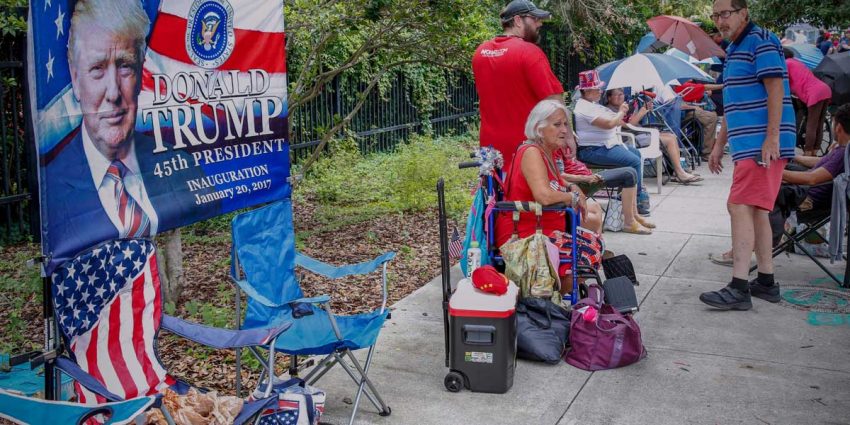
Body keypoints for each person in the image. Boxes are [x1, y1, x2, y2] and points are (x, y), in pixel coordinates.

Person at [42, 0, 212, 271]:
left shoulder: (184, 166)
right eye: (97, 68)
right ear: (75, 79)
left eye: (125, 66)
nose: (113, 92)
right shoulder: (54, 186)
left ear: (140, 73)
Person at [699, 0, 797, 310]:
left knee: (738, 205)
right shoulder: (734, 50)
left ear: (744, 12)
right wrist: (718, 145)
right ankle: (766, 282)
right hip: (748, 143)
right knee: (756, 210)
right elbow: (733, 103)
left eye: (725, 14)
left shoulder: (760, 40)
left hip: (760, 142)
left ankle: (739, 287)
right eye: (715, 16)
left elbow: (776, 90)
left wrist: (771, 138)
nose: (719, 21)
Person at [709, 103, 850, 272]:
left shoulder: (843, 153)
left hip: (809, 198)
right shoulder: (842, 149)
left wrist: (776, 173)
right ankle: (750, 246)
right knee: (765, 181)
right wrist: (791, 157)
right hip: (808, 191)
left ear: (838, 127)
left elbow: (812, 178)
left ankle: (747, 250)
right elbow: (819, 163)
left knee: (754, 197)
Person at [495, 100, 605, 292]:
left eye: (565, 124)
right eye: (557, 124)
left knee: (594, 242)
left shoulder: (547, 152)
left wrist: (572, 186)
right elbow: (544, 196)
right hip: (525, 235)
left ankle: (561, 295)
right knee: (587, 254)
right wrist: (570, 198)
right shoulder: (531, 152)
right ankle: (554, 300)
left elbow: (557, 180)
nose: (564, 130)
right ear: (539, 129)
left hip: (543, 230)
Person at [472, 0, 571, 169]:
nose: (539, 23)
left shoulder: (480, 52)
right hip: (527, 149)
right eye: (535, 19)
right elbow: (554, 101)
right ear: (518, 20)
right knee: (537, 194)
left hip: (490, 149)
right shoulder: (529, 52)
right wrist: (567, 136)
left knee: (496, 194)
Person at [573, 70, 651, 216]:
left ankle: (628, 195)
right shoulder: (584, 108)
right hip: (592, 149)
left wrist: (622, 113)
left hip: (604, 145)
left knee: (636, 154)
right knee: (633, 161)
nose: (600, 91)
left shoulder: (591, 104)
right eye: (597, 88)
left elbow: (614, 120)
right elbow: (609, 123)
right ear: (588, 90)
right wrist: (621, 111)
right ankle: (636, 201)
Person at [605, 88, 702, 184]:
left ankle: (677, 171)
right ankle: (680, 173)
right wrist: (641, 113)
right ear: (609, 98)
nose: (619, 97)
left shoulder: (624, 107)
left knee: (671, 136)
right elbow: (628, 125)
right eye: (616, 95)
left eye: (621, 94)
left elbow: (632, 121)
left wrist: (644, 110)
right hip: (628, 138)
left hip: (637, 134)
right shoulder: (608, 111)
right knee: (669, 140)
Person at [783, 48, 832, 156]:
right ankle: (815, 151)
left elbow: (783, 83)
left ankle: (808, 153)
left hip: (814, 93)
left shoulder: (786, 63)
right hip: (824, 89)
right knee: (819, 123)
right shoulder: (797, 62)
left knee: (812, 124)